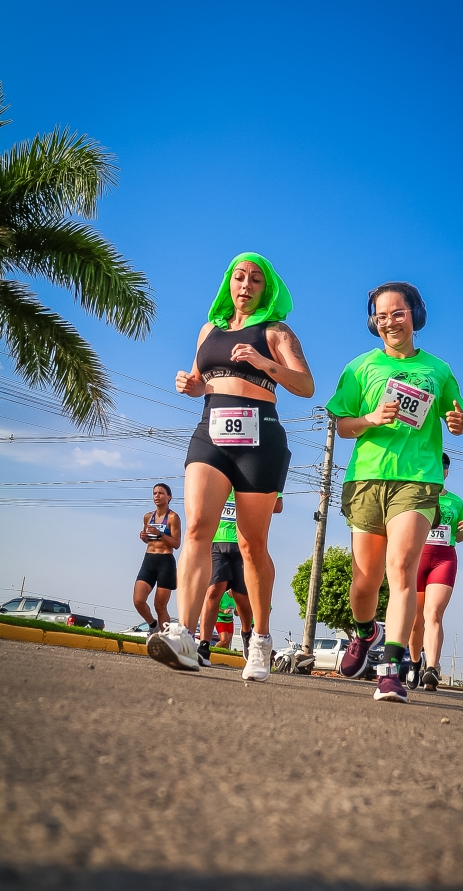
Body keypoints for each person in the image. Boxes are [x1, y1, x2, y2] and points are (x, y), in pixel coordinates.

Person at [148, 253, 313, 680]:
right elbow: (200, 380)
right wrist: (190, 385)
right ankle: (184, 635)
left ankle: (260, 639)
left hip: (260, 438)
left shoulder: (276, 332)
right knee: (198, 530)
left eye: (256, 279)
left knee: (251, 544)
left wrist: (264, 362)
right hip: (211, 431)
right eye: (239, 277)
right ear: (229, 283)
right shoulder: (209, 330)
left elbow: (306, 385)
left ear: (266, 289)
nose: (246, 285)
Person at [326, 280, 463, 703]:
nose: (390, 322)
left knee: (401, 568)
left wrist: (458, 422)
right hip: (367, 479)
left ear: (415, 316)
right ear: (374, 322)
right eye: (381, 316)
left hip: (418, 479)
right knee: (364, 582)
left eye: (398, 313)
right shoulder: (360, 367)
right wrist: (370, 418)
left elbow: (456, 416)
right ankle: (365, 632)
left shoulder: (438, 369)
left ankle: (391, 671)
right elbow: (343, 425)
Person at [406, 452, 463, 691]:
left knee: (433, 614)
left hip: (443, 559)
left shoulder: (456, 501)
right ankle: (415, 663)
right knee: (416, 620)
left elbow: (458, 536)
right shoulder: (414, 494)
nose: (440, 469)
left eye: (443, 466)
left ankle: (432, 668)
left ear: (446, 471)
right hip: (417, 558)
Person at [197, 492, 283, 666]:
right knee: (213, 591)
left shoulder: (253, 481)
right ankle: (203, 646)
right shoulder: (223, 481)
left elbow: (277, 506)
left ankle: (246, 633)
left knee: (241, 599)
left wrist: (250, 503)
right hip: (218, 542)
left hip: (244, 544)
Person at [133, 483, 181, 633]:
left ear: (169, 497)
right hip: (149, 561)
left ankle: (165, 637)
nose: (157, 496)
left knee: (159, 606)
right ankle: (153, 625)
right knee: (138, 600)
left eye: (161, 493)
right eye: (155, 493)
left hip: (165, 562)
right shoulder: (148, 517)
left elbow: (176, 543)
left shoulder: (173, 517)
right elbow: (149, 540)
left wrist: (160, 534)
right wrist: (144, 537)